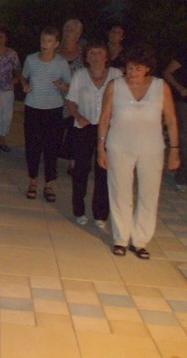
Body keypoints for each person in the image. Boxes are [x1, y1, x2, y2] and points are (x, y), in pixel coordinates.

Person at [98, 44, 180, 259]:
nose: (132, 73)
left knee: (149, 194)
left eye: (137, 68)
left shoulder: (160, 86)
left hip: (151, 148)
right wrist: (100, 147)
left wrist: (174, 150)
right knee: (120, 192)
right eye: (129, 68)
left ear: (147, 68)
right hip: (119, 146)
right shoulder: (115, 86)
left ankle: (140, 240)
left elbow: (171, 120)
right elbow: (104, 118)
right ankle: (121, 238)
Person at [65, 42, 122, 229]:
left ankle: (100, 213)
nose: (95, 56)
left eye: (99, 53)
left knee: (103, 171)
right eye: (91, 53)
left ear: (106, 56)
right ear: (86, 57)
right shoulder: (80, 75)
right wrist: (78, 116)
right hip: (84, 127)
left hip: (108, 129)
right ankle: (79, 210)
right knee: (81, 170)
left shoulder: (116, 75)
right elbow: (70, 100)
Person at [21, 26, 71, 203]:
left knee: (51, 148)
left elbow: (69, 85)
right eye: (43, 40)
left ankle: (49, 184)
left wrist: (63, 86)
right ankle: (33, 181)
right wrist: (25, 84)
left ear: (56, 44)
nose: (45, 44)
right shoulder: (31, 59)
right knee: (32, 146)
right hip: (33, 108)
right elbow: (24, 76)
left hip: (53, 110)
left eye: (49, 41)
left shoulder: (61, 63)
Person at [58, 19, 84, 174]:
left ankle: (72, 162)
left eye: (72, 30)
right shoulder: (55, 50)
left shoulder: (84, 54)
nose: (68, 32)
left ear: (78, 35)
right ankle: (51, 158)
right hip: (55, 98)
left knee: (75, 132)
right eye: (66, 28)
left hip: (76, 100)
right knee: (55, 130)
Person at [164, 48, 187, 192]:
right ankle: (182, 177)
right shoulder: (184, 53)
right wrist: (180, 88)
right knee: (184, 140)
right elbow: (167, 72)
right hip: (184, 103)